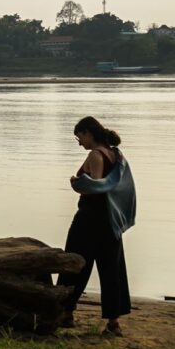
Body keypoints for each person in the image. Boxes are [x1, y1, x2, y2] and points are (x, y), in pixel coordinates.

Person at [57, 116, 137, 336]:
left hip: (89, 219)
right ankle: (113, 322)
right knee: (112, 270)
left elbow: (96, 187)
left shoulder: (95, 155)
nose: (79, 142)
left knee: (74, 264)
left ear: (89, 133)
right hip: (110, 220)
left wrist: (76, 184)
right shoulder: (116, 155)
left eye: (79, 136)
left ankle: (66, 312)